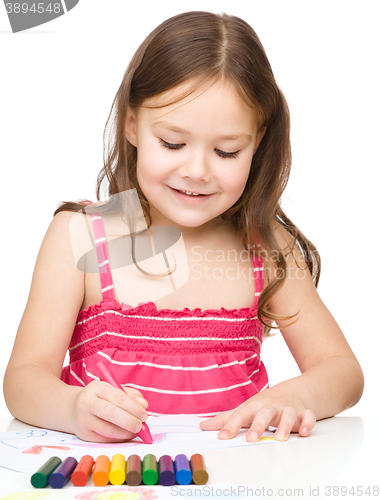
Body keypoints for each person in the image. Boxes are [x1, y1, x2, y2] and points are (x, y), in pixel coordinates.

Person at [4, 11, 364, 444]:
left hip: (234, 481)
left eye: (227, 151)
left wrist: (297, 394)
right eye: (173, 143)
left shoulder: (266, 248)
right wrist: (72, 408)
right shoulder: (80, 236)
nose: (196, 170)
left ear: (258, 142)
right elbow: (23, 380)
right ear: (132, 124)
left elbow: (342, 370)